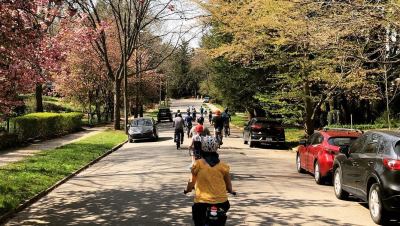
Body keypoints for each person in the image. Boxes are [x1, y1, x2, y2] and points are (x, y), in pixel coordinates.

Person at [184, 135, 235, 226]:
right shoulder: (223, 166)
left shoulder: (198, 164)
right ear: (216, 148)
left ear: (202, 147)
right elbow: (228, 185)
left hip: (201, 203)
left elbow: (191, 181)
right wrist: (231, 191)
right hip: (222, 202)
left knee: (198, 219)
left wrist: (187, 189)